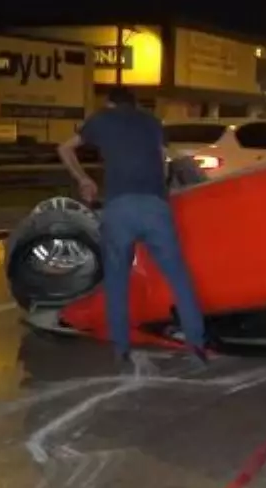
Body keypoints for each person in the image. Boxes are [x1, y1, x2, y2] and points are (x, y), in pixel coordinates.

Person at [57, 88, 208, 369]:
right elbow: (164, 164)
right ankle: (197, 345)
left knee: (117, 281)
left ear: (110, 103)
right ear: (135, 104)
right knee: (178, 277)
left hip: (119, 208)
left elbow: (64, 148)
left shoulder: (102, 119)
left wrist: (83, 179)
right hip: (155, 207)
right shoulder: (151, 122)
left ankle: (121, 349)